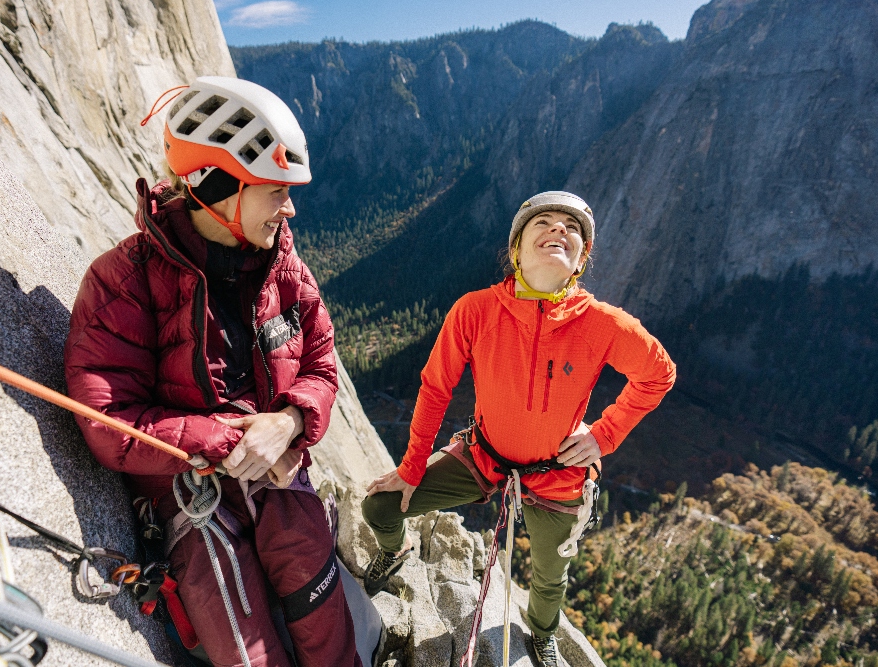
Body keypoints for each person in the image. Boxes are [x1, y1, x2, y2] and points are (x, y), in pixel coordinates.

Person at [65, 76, 360, 666]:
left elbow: (322, 363)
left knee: (302, 542)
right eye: (276, 189)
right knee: (230, 604)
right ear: (217, 186)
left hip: (273, 466)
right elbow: (108, 419)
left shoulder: (284, 269)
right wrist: (229, 442)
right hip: (187, 491)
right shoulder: (123, 281)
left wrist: (289, 421)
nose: (291, 205)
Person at [360, 191, 676, 666]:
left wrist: (602, 436)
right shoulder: (476, 310)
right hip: (484, 455)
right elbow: (435, 387)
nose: (558, 230)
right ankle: (396, 548)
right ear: (516, 251)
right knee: (381, 506)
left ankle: (543, 634)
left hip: (558, 475)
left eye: (571, 228)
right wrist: (409, 469)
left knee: (549, 578)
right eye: (543, 223)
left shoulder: (602, 324)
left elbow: (659, 373)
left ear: (580, 260)